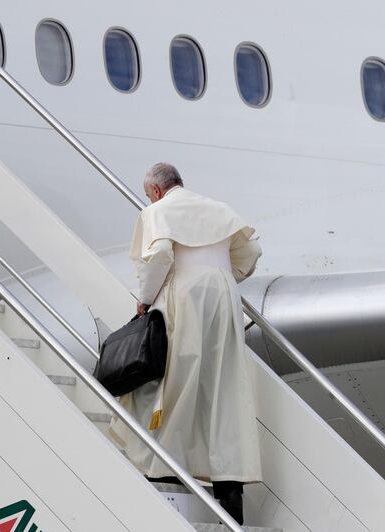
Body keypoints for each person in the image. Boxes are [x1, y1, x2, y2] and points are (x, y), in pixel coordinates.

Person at [109, 163, 263, 524]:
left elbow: (160, 256)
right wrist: (225, 276)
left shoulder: (158, 211)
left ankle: (163, 469)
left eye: (148, 195)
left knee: (173, 382)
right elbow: (251, 254)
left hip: (186, 293)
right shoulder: (218, 208)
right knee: (223, 389)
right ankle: (230, 491)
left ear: (157, 191)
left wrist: (144, 300)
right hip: (224, 295)